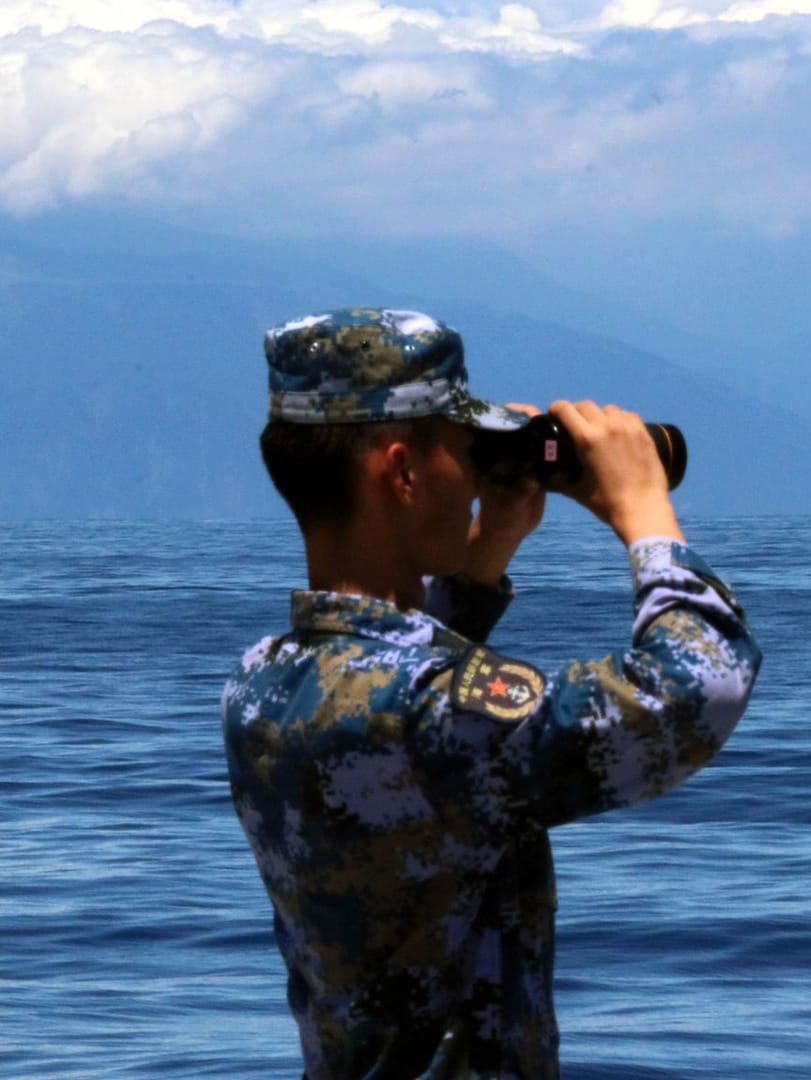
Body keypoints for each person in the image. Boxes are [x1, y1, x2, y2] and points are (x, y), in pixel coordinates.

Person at [221, 308, 761, 1079]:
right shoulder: (428, 712)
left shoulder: (260, 682)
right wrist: (645, 515)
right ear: (403, 471)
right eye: (467, 454)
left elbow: (394, 687)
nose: (477, 478)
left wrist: (483, 557)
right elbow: (694, 690)